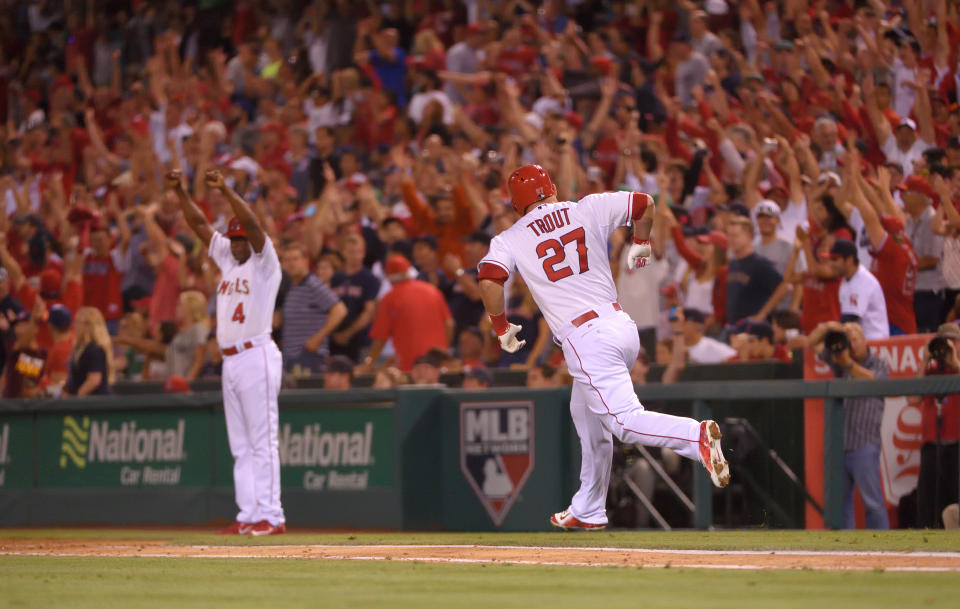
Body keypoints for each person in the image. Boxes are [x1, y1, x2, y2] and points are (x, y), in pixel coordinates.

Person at [477, 164, 729, 531]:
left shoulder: (510, 237)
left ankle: (696, 437)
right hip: (620, 326)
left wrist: (501, 326)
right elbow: (645, 203)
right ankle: (589, 508)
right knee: (586, 415)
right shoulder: (585, 207)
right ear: (551, 188)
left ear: (517, 204)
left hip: (585, 337)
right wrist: (641, 245)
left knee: (623, 421)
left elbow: (489, 279)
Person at [167, 168, 285, 537]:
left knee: (262, 440)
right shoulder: (229, 264)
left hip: (257, 353)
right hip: (231, 360)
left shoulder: (265, 264)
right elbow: (200, 225)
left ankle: (272, 516)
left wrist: (227, 191)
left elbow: (252, 224)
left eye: (240, 238)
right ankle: (248, 514)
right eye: (232, 238)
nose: (235, 243)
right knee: (241, 445)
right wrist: (182, 193)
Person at [808, 320, 890, 530]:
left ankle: (884, 545)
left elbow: (872, 381)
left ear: (864, 340)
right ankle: (845, 549)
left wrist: (847, 363)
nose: (851, 345)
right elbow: (812, 342)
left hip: (865, 443)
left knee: (872, 502)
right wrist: (828, 328)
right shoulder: (840, 361)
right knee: (840, 504)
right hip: (841, 443)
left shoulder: (877, 363)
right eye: (848, 340)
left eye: (854, 340)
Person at [363, 255, 453, 372]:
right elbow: (449, 324)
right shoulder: (433, 290)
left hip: (410, 367)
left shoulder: (389, 298)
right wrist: (443, 351)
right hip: (437, 364)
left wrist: (369, 363)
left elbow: (380, 338)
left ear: (389, 277)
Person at [910, 323, 960, 529]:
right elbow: (913, 398)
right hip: (932, 444)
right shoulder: (930, 372)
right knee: (928, 502)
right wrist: (924, 360)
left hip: (957, 444)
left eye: (952, 340)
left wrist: (955, 362)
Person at [279, 242, 346, 373]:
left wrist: (318, 338)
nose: (291, 264)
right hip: (291, 356)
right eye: (287, 260)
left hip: (309, 356)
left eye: (295, 259)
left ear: (305, 260)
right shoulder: (291, 286)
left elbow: (340, 310)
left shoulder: (313, 284)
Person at [725, 216, 783, 324]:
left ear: (749, 236)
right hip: (734, 325)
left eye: (735, 236)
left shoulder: (760, 264)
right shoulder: (733, 263)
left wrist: (762, 315)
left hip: (752, 330)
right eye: (728, 235)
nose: (730, 239)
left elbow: (784, 287)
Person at [830, 239, 890, 339]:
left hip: (876, 342)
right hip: (861, 340)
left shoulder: (862, 281)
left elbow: (849, 320)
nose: (831, 264)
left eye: (835, 260)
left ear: (849, 260)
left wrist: (826, 329)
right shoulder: (847, 280)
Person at [63, 307, 113, 397]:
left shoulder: (95, 349)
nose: (74, 326)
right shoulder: (79, 348)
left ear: (89, 325)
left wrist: (76, 399)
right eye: (74, 322)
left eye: (78, 322)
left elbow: (94, 380)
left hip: (94, 404)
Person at [1, 311, 46, 398]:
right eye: (18, 325)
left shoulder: (41, 353)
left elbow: (31, 384)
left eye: (25, 325)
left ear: (36, 328)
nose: (20, 328)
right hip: (9, 405)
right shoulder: (11, 345)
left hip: (30, 406)